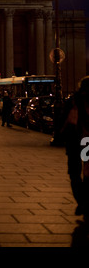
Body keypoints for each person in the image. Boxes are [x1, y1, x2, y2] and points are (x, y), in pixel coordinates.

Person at [62, 76, 89, 219]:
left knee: (74, 173)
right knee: (87, 171)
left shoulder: (72, 101)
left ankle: (81, 201)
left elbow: (62, 120)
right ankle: (86, 202)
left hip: (74, 142)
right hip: (87, 142)